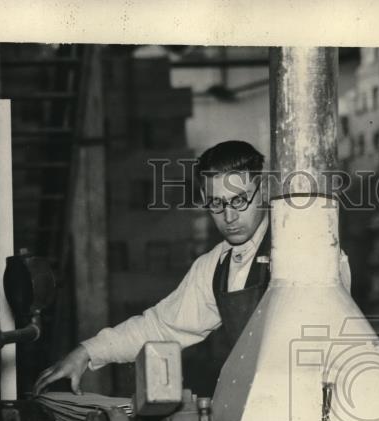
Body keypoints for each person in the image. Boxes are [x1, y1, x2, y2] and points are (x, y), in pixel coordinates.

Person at [34, 140, 351, 398]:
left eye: (239, 200)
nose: (228, 216)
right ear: (203, 199)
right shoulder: (216, 267)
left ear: (264, 191)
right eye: (216, 203)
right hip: (263, 407)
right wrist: (87, 352)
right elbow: (160, 327)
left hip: (324, 400)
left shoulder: (305, 248)